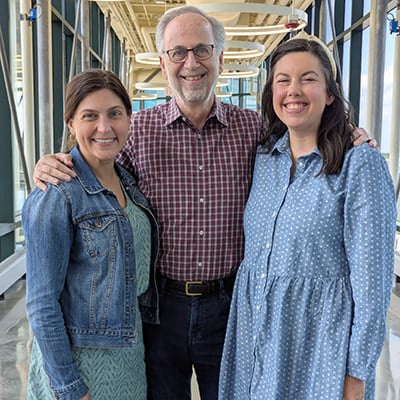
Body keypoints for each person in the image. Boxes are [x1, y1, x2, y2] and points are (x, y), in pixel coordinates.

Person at [32, 7, 373, 400]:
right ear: (162, 63)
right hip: (158, 311)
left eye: (202, 50)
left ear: (220, 58)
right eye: (178, 52)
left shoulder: (256, 131)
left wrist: (349, 133)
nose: (190, 63)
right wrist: (51, 162)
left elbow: (305, 127)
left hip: (231, 310)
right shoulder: (135, 134)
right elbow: (95, 169)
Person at [218, 33, 397, 400]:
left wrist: (356, 374)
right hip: (255, 342)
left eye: (308, 79)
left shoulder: (359, 164)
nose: (293, 90)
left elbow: (372, 286)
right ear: (271, 93)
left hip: (318, 350)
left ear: (330, 93)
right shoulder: (265, 157)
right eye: (283, 80)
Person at [23, 69, 159, 400]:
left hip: (128, 357)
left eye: (115, 114)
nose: (104, 127)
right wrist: (69, 386)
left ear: (129, 119)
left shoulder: (128, 181)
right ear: (71, 123)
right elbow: (42, 303)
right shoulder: (56, 193)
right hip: (81, 365)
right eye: (90, 116)